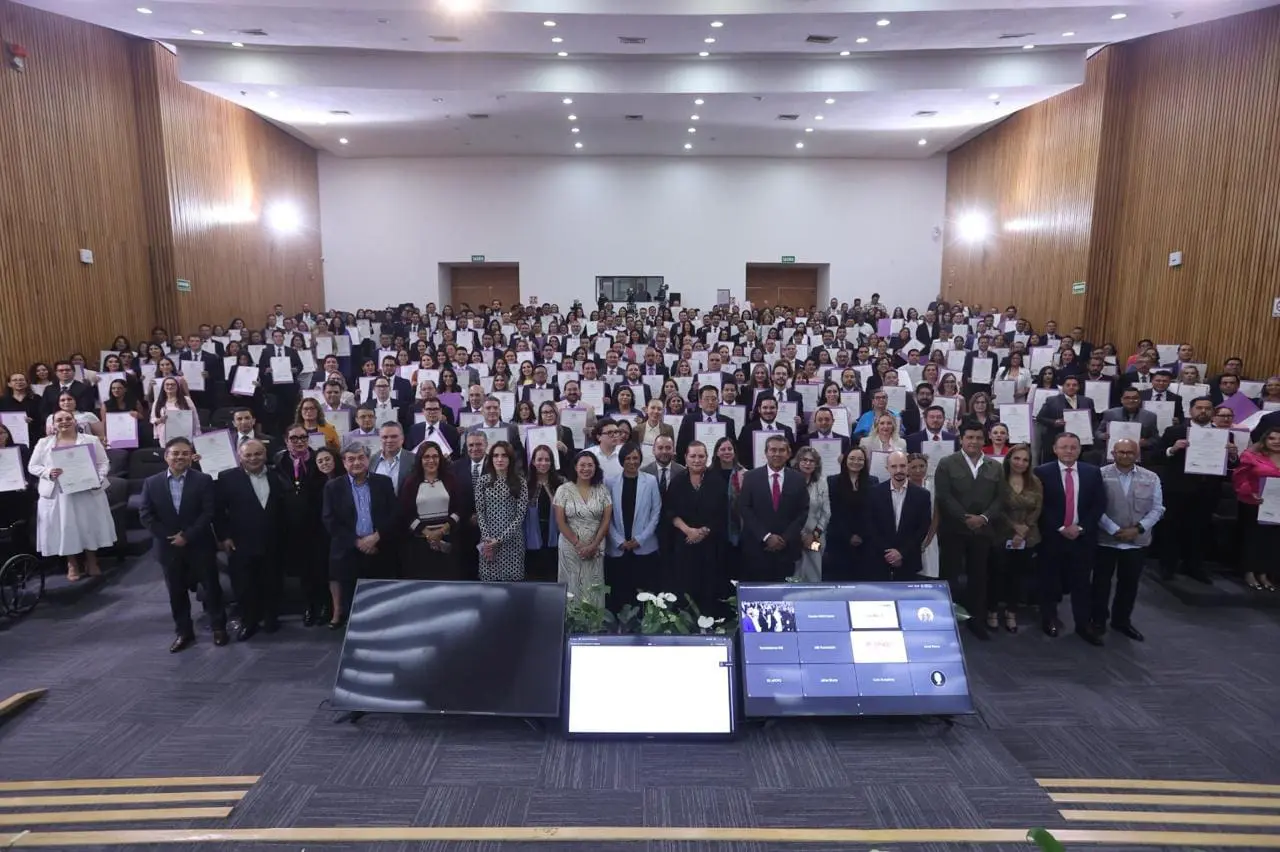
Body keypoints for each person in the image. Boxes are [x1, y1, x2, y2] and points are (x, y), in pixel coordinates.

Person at [139, 437, 223, 651]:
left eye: (185, 453)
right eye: (175, 453)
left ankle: (219, 628)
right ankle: (184, 633)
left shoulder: (203, 480)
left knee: (212, 588)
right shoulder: (152, 483)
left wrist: (187, 535)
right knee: (176, 593)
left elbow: (208, 512)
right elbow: (146, 515)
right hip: (168, 548)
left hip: (199, 544)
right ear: (166, 456)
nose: (180, 457)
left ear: (191, 457)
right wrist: (170, 536)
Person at [934, 421, 1006, 639]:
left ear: (984, 440)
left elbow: (1000, 498)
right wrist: (966, 518)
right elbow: (944, 496)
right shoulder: (947, 463)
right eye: (969, 437)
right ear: (961, 440)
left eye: (977, 438)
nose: (974, 441)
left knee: (979, 577)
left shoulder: (995, 466)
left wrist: (983, 518)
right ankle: (948, 621)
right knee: (951, 577)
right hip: (954, 530)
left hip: (982, 532)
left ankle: (976, 620)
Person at [1034, 432, 1107, 645]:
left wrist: (1081, 527)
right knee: (1049, 581)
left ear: (1080, 449)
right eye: (1064, 447)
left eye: (1073, 447)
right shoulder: (1042, 472)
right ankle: (1049, 619)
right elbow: (1040, 506)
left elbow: (1099, 505)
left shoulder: (1092, 473)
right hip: (1052, 537)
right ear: (1055, 449)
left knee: (1082, 584)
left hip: (1082, 538)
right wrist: (1059, 527)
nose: (1068, 451)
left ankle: (1083, 624)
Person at [28, 409, 115, 581]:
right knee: (66, 527)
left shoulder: (90, 440)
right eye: (59, 419)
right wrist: (48, 472)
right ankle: (72, 563)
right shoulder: (44, 443)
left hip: (87, 490)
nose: (64, 422)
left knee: (88, 524)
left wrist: (96, 477)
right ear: (53, 424)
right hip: (59, 493)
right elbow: (32, 466)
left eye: (68, 418)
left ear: (75, 421)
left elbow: (103, 463)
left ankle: (92, 560)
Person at [1092, 438, 1165, 642]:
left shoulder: (1152, 477)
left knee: (1129, 584)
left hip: (1137, 541)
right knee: (1100, 583)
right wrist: (1114, 530)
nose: (1125, 456)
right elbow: (1094, 507)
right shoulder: (1100, 475)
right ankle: (1097, 620)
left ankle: (1121, 621)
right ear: (1113, 454)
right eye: (1121, 452)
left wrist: (1138, 529)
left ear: (1137, 455)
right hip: (1105, 540)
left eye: (1130, 452)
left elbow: (1158, 508)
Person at [215, 438, 285, 640]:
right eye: (248, 455)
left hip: (272, 540)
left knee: (272, 581)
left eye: (258, 454)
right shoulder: (227, 478)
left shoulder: (276, 475)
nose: (253, 458)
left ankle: (271, 618)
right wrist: (224, 537)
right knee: (244, 585)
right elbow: (218, 512)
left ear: (265, 455)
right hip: (240, 542)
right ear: (240, 456)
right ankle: (249, 622)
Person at [323, 443, 398, 626]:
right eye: (351, 459)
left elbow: (394, 514)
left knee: (380, 599)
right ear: (344, 462)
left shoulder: (383, 482)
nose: (356, 462)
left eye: (361, 458)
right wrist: (358, 542)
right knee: (352, 603)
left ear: (368, 459)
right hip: (348, 551)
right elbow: (329, 520)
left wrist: (376, 537)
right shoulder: (333, 487)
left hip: (378, 548)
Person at [665, 441, 729, 615]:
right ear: (685, 457)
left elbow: (723, 512)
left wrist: (703, 532)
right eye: (692, 456)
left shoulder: (717, 481)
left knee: (708, 588)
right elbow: (670, 511)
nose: (697, 460)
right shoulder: (677, 481)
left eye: (701, 456)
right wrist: (688, 530)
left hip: (710, 545)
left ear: (707, 458)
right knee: (684, 587)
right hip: (684, 543)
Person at [277, 424, 331, 626]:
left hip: (319, 526)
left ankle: (326, 606)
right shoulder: (280, 461)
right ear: (286, 440)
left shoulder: (320, 459)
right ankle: (309, 606)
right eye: (294, 438)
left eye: (303, 437)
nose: (299, 441)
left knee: (322, 569)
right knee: (304, 571)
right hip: (294, 527)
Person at [738, 434, 809, 582]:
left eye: (781, 450)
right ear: (766, 452)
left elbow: (802, 511)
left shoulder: (798, 479)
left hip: (787, 549)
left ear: (788, 454)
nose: (777, 454)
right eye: (773, 450)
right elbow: (745, 508)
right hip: (757, 548)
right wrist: (766, 537)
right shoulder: (751, 477)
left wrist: (784, 538)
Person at [987, 443, 1041, 633]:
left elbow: (1038, 508)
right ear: (1009, 459)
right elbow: (996, 507)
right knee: (997, 575)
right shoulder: (998, 480)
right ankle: (992, 611)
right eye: (1017, 458)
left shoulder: (1035, 481)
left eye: (1025, 460)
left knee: (1017, 577)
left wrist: (1024, 528)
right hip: (1001, 535)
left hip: (1027, 537)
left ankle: (1011, 612)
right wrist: (1014, 527)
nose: (1020, 463)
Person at [604, 443, 662, 610]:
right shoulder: (610, 482)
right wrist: (618, 540)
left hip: (644, 547)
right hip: (618, 547)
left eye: (635, 458)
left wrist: (640, 539)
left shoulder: (650, 481)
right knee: (619, 593)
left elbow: (656, 512)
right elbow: (607, 516)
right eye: (627, 458)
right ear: (622, 460)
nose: (631, 461)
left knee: (643, 593)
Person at [554, 450, 612, 605]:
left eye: (590, 465)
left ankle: (593, 627)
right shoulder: (563, 490)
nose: (586, 469)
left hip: (596, 546)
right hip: (570, 547)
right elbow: (560, 521)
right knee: (571, 586)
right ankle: (570, 624)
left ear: (596, 468)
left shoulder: (602, 490)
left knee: (593, 586)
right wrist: (578, 545)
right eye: (582, 465)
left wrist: (593, 545)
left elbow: (606, 520)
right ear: (575, 467)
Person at [862, 451, 932, 579]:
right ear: (887, 468)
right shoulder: (874, 493)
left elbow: (922, 528)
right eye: (894, 466)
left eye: (902, 466)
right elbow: (869, 526)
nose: (898, 470)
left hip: (909, 560)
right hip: (879, 559)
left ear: (907, 467)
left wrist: (901, 553)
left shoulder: (922, 495)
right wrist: (889, 553)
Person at [398, 441, 463, 580]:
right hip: (419, 546)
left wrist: (441, 531)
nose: (431, 460)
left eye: (435, 456)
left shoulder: (450, 479)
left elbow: (459, 509)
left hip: (447, 542)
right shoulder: (411, 482)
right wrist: (428, 534)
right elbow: (406, 513)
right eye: (426, 457)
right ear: (420, 459)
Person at [1231, 426, 1280, 592]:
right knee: (1253, 539)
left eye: (1279, 439)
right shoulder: (1251, 456)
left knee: (1273, 540)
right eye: (1272, 438)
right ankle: (1249, 571)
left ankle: (1265, 573)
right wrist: (1250, 492)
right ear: (1264, 440)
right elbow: (1239, 478)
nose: (1276, 442)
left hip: (1277, 506)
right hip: (1253, 503)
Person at [474, 440, 529, 581]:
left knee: (513, 590)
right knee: (489, 589)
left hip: (512, 542)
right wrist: (488, 540)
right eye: (496, 455)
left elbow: (520, 515)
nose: (499, 459)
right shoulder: (483, 481)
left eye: (504, 455)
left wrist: (500, 540)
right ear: (491, 458)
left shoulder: (520, 482)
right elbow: (480, 513)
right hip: (488, 543)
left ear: (510, 459)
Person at [825, 446, 876, 581]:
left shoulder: (873, 482)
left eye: (860, 459)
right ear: (845, 460)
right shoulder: (832, 482)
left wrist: (861, 535)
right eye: (852, 458)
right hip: (839, 540)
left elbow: (873, 513)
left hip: (865, 541)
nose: (856, 462)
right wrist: (848, 535)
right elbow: (834, 512)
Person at [523, 444, 564, 582]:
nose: (543, 463)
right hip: (531, 535)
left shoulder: (561, 483)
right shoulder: (525, 483)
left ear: (552, 462)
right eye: (539, 459)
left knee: (553, 575)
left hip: (556, 536)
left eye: (547, 460)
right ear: (533, 462)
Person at [791, 446, 830, 582]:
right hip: (794, 537)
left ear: (816, 464)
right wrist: (801, 536)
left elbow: (826, 512)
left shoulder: (822, 482)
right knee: (795, 574)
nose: (808, 464)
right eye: (804, 460)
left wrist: (814, 535)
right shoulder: (790, 481)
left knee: (814, 574)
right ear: (798, 462)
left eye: (812, 461)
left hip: (816, 538)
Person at [371, 422, 415, 496]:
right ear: (380, 439)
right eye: (385, 437)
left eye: (394, 436)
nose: (389, 440)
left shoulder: (414, 459)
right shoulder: (372, 460)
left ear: (402, 438)